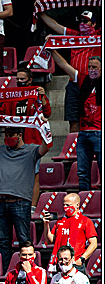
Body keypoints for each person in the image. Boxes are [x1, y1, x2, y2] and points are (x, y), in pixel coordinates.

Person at [0, 126, 51, 264]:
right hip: (1, 202)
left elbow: (46, 146)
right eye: (6, 135)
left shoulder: (31, 151)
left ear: (19, 135)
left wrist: (44, 127)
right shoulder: (1, 150)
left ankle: (27, 271)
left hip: (21, 202)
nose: (8, 138)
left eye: (11, 134)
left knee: (24, 240)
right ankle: (5, 272)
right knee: (3, 242)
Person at [40, 10, 100, 137]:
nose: (82, 23)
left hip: (94, 84)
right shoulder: (74, 36)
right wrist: (40, 12)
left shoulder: (99, 35)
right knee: (73, 121)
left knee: (95, 120)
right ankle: (74, 152)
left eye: (86, 21)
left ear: (94, 24)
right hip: (74, 83)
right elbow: (55, 25)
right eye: (81, 21)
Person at [52, 53, 101, 191]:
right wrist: (52, 50)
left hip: (100, 133)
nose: (91, 69)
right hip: (83, 134)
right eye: (89, 67)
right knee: (82, 172)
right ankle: (84, 199)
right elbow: (64, 65)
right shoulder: (82, 80)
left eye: (95, 67)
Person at [0, 65, 52, 148]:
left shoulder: (36, 96)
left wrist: (42, 97)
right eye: (17, 79)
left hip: (32, 141)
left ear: (30, 80)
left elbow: (47, 113)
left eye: (22, 79)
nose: (19, 81)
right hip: (14, 140)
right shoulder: (12, 97)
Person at [44, 192, 98, 273]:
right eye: (64, 205)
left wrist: (82, 259)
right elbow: (50, 240)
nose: (65, 207)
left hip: (75, 263)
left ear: (77, 205)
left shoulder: (85, 221)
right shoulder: (60, 221)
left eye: (68, 205)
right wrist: (46, 224)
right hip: (61, 263)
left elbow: (94, 244)